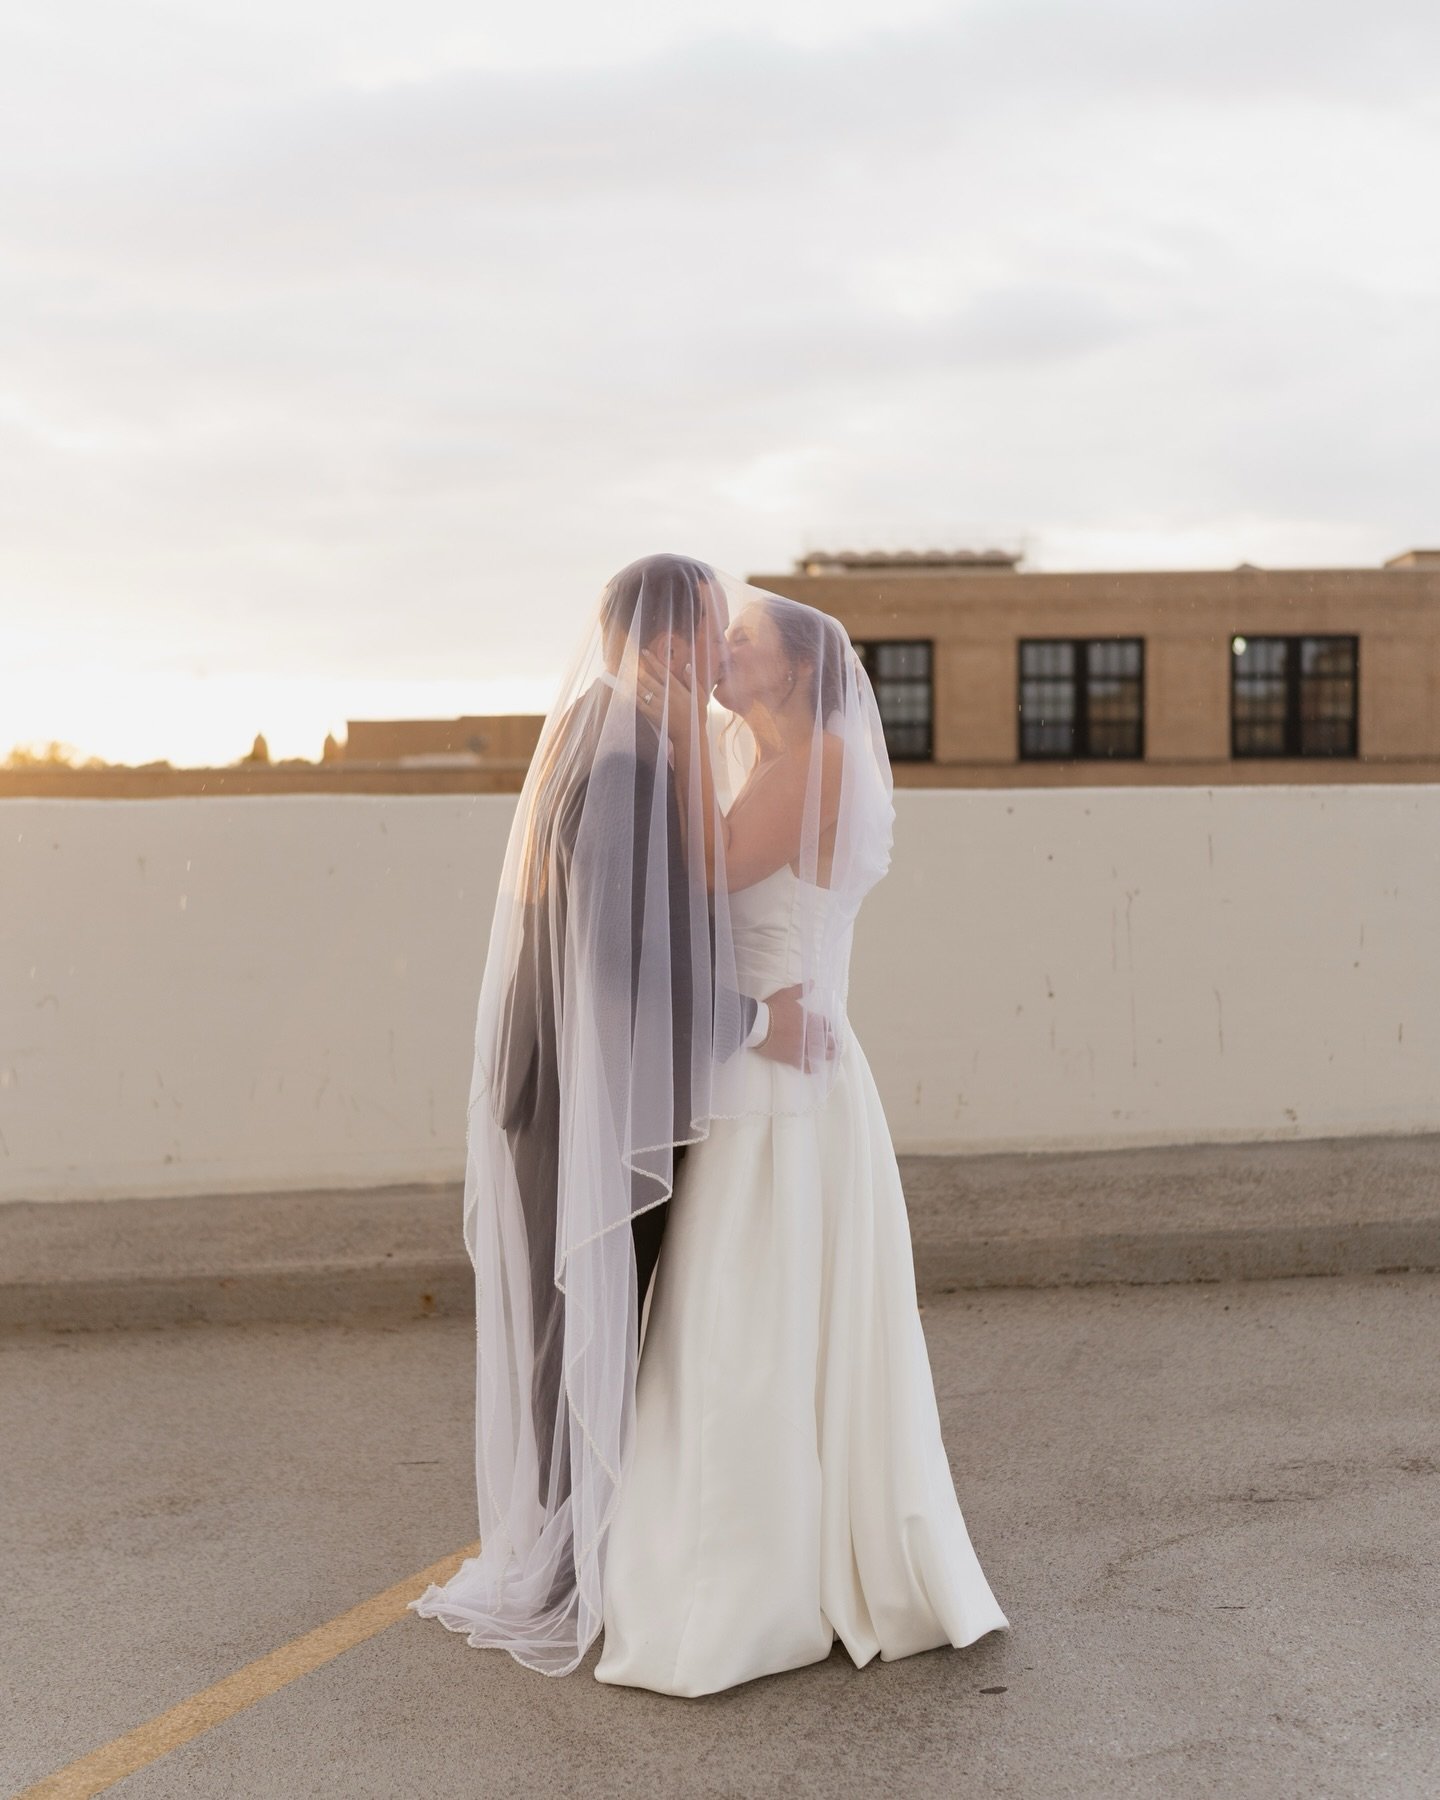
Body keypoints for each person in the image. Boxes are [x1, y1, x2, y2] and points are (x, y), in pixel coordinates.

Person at [410, 554, 833, 1674]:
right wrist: (750, 1020)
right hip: (583, 1092)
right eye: (708, 635)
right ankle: (567, 1568)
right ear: (659, 645)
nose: (721, 654)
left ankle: (579, 1550)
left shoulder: (608, 730)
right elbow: (616, 952)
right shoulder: (629, 755)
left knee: (588, 1317)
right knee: (584, 1323)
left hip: (575, 1079)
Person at [591, 578, 1010, 1695]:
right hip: (758, 1063)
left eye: (740, 640)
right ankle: (713, 1549)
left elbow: (715, 870)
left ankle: (748, 1584)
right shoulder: (755, 754)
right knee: (732, 1316)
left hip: (784, 1089)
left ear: (796, 668)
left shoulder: (817, 758)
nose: (721, 652)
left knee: (749, 1319)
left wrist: (676, 725)